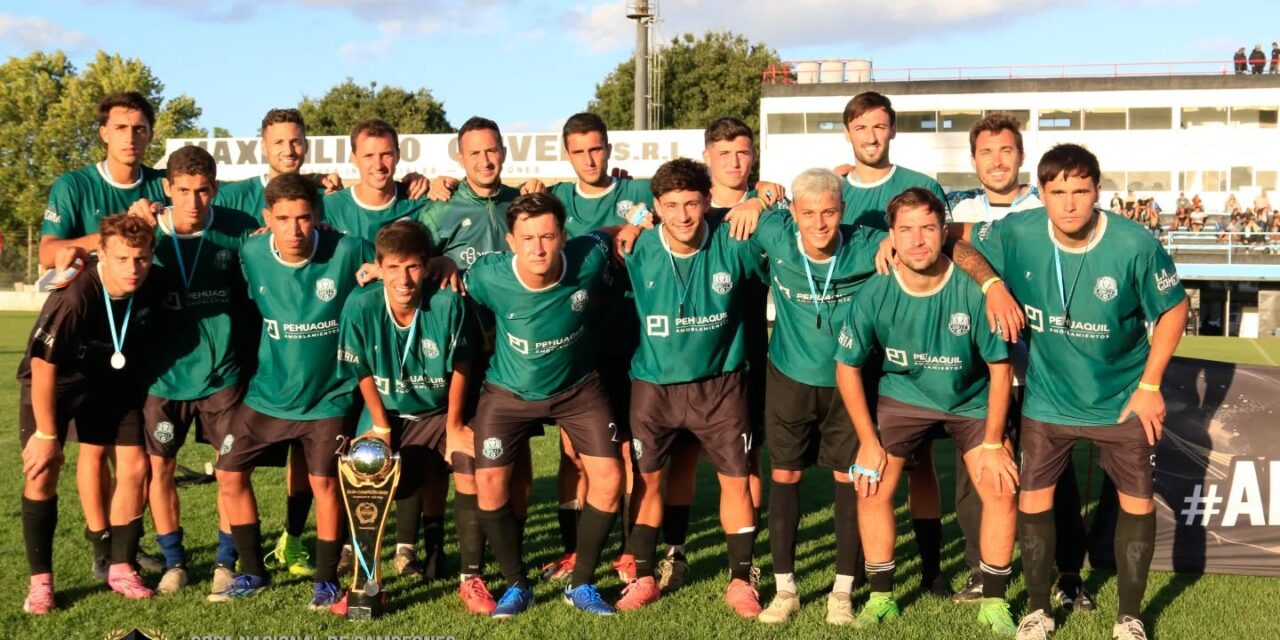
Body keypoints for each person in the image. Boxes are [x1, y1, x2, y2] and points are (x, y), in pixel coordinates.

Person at [960, 143, 1189, 640]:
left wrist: (1150, 385)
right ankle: (1038, 611)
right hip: (1048, 398)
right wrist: (990, 284)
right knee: (1034, 499)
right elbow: (954, 241)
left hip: (1122, 397)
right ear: (1039, 193)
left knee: (1137, 503)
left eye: (1080, 191)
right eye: (1058, 192)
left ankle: (1129, 617)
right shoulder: (1017, 231)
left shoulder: (1133, 244)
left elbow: (1174, 308)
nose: (1069, 204)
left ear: (1097, 191)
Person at [837, 187, 1018, 635]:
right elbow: (846, 368)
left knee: (1001, 485)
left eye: (928, 228)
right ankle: (882, 596)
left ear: (944, 232)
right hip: (905, 399)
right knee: (871, 484)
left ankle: (994, 601)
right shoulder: (876, 291)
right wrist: (867, 441)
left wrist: (995, 443)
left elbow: (1000, 370)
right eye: (906, 230)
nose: (918, 240)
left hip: (970, 399)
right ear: (891, 237)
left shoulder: (973, 289)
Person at [947, 113, 1095, 611]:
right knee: (980, 473)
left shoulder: (1047, 203)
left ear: (1022, 157)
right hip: (977, 369)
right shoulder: (958, 207)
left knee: (1054, 476)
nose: (996, 161)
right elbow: (923, 229)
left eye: (1006, 151)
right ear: (973, 160)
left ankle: (1068, 573)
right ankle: (982, 569)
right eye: (986, 152)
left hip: (1041, 370)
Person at [210, 173, 373, 610]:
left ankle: (325, 580)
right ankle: (252, 571)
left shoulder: (350, 249)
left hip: (328, 397)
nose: (294, 229)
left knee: (325, 484)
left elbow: (397, 266)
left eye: (304, 218)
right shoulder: (251, 250)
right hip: (267, 396)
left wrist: (434, 264)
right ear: (268, 218)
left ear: (317, 217)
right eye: (283, 219)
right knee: (228, 473)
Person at [463, 193, 626, 617]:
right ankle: (518, 585)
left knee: (608, 478)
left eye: (548, 236)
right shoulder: (489, 276)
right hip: (508, 393)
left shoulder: (586, 256)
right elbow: (456, 281)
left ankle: (582, 583)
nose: (538, 248)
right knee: (490, 483)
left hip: (577, 389)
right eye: (528, 237)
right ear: (511, 241)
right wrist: (444, 266)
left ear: (563, 237)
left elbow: (606, 235)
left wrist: (629, 228)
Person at [614, 158, 764, 618]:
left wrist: (761, 197)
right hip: (654, 387)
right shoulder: (635, 248)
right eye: (672, 205)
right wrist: (628, 223)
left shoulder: (733, 241)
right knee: (648, 480)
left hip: (720, 386)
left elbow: (791, 223)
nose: (682, 215)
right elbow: (589, 237)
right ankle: (643, 576)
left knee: (736, 482)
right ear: (655, 206)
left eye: (693, 204)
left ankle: (741, 580)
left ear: (707, 202)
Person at [37, 90, 168, 580]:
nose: (131, 137)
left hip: (139, 333)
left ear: (150, 133)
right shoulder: (74, 185)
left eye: (140, 128)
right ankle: (101, 546)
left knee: (134, 455)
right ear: (103, 133)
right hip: (87, 333)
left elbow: (214, 197)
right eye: (121, 127)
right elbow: (49, 252)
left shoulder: (160, 183)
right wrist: (120, 232)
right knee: (94, 450)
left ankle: (125, 549)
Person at [750, 169, 885, 626]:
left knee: (849, 482)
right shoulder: (774, 229)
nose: (819, 223)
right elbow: (746, 212)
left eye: (829, 212)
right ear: (794, 214)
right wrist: (754, 196)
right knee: (784, 478)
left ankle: (842, 591)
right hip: (788, 377)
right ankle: (785, 588)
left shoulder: (869, 244)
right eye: (808, 213)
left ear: (842, 211)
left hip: (849, 383)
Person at [336, 220, 489, 610]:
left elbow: (462, 366)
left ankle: (470, 577)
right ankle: (365, 582)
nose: (404, 279)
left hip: (440, 410)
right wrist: (381, 425)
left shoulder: (448, 303)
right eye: (393, 267)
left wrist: (454, 426)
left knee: (468, 463)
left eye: (414, 267)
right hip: (389, 410)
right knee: (367, 470)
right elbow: (361, 370)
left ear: (428, 266)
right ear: (378, 266)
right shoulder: (360, 303)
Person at [839, 89, 955, 595]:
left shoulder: (920, 186)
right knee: (861, 463)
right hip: (850, 342)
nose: (871, 136)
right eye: (861, 127)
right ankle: (858, 565)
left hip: (908, 350)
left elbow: (944, 249)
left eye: (879, 126)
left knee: (919, 464)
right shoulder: (836, 189)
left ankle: (931, 569)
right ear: (849, 133)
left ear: (892, 130)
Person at [20, 214, 163, 612]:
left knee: (135, 469)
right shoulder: (76, 293)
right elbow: (43, 366)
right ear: (102, 253)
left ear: (151, 254)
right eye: (121, 259)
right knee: (42, 470)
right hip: (55, 385)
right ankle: (41, 584)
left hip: (109, 382)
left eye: (141, 258)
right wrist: (47, 436)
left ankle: (120, 567)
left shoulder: (153, 282)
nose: (132, 268)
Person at [540, 112, 655, 583]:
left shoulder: (639, 194)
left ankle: (628, 551)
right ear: (567, 154)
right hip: (577, 344)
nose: (590, 159)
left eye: (597, 148)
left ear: (610, 149)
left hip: (632, 339)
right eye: (579, 151)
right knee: (573, 453)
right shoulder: (556, 200)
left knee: (628, 452)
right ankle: (573, 548)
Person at [142, 146, 259, 596]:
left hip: (223, 377)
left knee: (231, 474)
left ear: (216, 189)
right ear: (167, 189)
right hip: (164, 378)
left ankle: (225, 562)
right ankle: (174, 562)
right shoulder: (147, 232)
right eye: (184, 191)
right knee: (161, 470)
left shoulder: (238, 229)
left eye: (204, 190)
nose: (194, 202)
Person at [323, 118, 428, 243]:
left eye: (386, 154)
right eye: (368, 156)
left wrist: (442, 183)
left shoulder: (418, 200)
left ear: (397, 155)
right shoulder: (329, 207)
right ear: (354, 158)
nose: (378, 165)